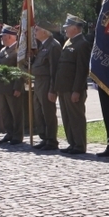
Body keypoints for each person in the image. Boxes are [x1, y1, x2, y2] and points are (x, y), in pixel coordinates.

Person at [51, 14, 90, 155]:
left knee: (76, 118)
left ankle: (79, 145)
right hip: (64, 88)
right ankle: (72, 143)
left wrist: (76, 90)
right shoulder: (69, 42)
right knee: (67, 118)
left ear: (75, 28)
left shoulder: (82, 44)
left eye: (67, 27)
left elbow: (81, 70)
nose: (65, 29)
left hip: (73, 89)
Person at [31, 24, 61, 151]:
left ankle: (51, 140)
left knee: (48, 113)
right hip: (38, 82)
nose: (35, 31)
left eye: (37, 29)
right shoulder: (43, 45)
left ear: (45, 31)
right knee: (38, 112)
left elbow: (54, 69)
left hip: (46, 82)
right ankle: (44, 137)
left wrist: (52, 90)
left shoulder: (53, 46)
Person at [0, 25, 24, 144]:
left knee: (16, 112)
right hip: (2, 87)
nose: (2, 38)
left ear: (11, 37)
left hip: (12, 87)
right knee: (5, 112)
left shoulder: (18, 50)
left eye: (4, 36)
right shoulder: (3, 50)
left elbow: (20, 70)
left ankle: (17, 135)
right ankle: (9, 133)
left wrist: (18, 87)